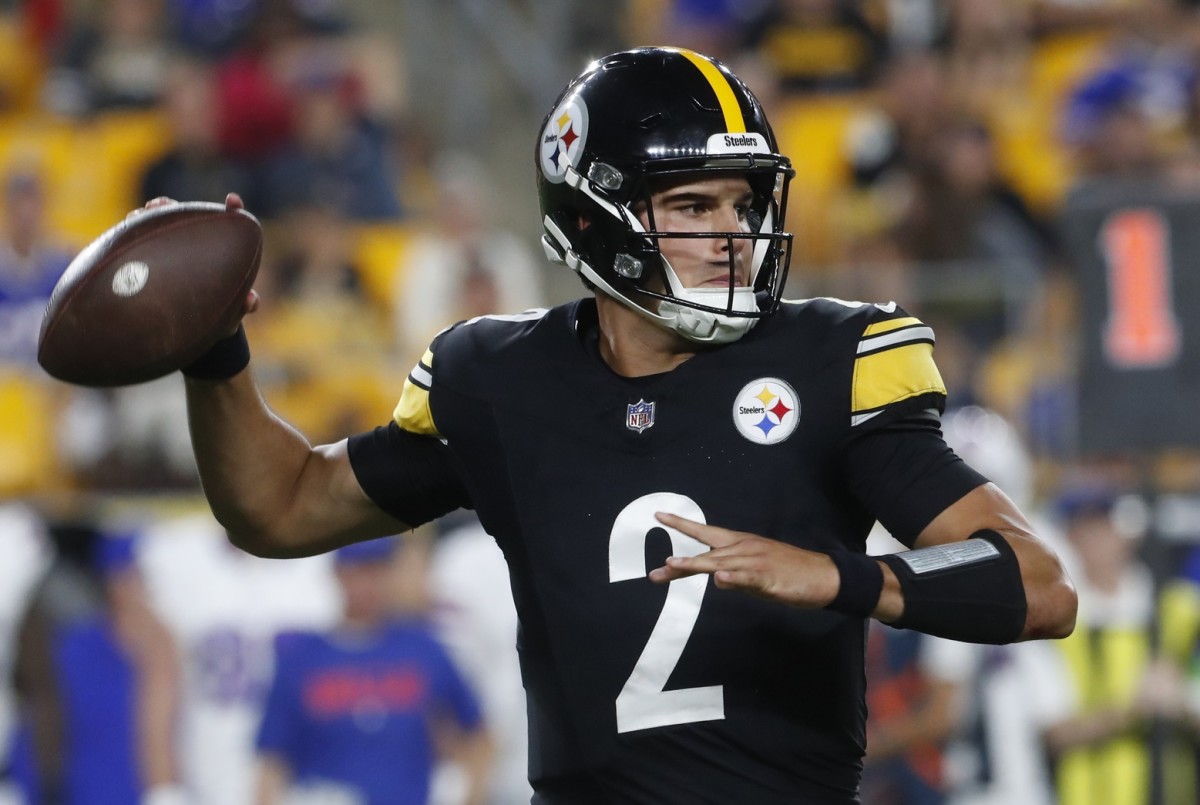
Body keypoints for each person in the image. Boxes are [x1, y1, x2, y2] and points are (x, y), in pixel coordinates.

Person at [153, 46, 1076, 803]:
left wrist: (837, 574)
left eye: (744, 204)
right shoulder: (498, 380)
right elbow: (279, 508)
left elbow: (1035, 582)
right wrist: (214, 351)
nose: (733, 235)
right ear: (594, 220)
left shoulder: (832, 358)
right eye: (692, 206)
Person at [254, 537, 492, 805]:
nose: (366, 584)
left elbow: (479, 733)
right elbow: (272, 758)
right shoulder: (302, 657)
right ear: (337, 575)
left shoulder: (423, 649)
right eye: (356, 571)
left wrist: (472, 796)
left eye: (376, 571)